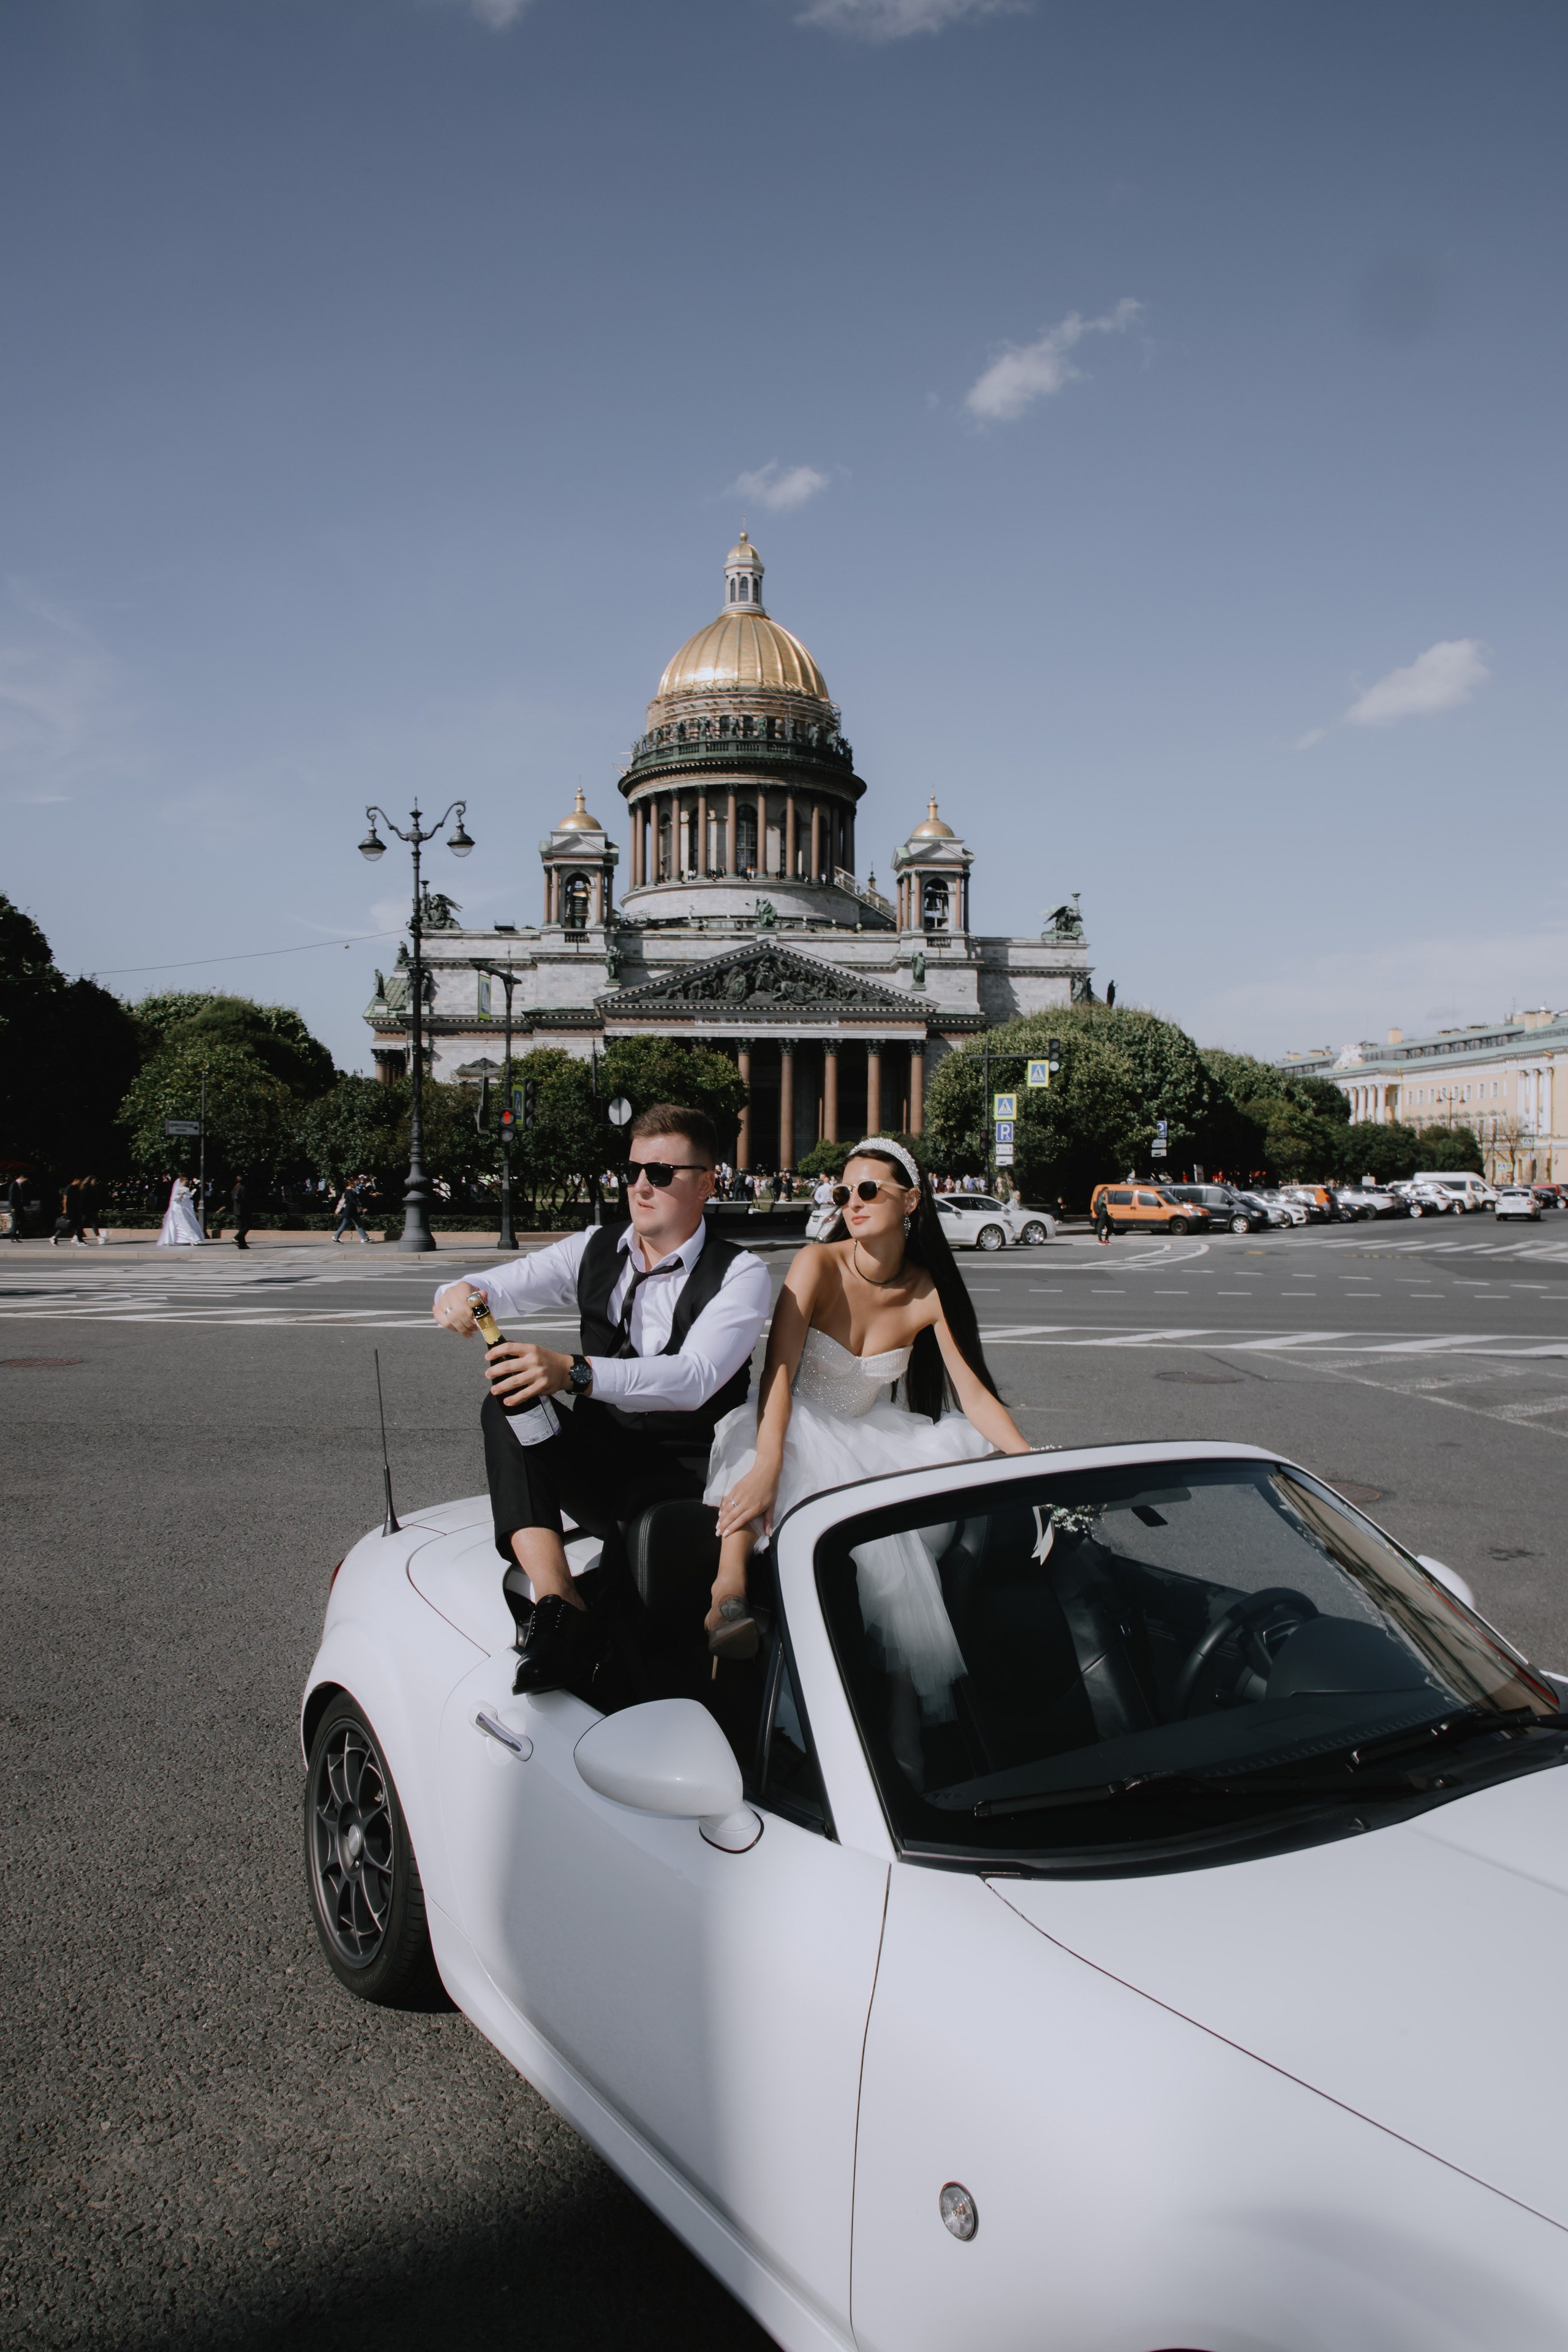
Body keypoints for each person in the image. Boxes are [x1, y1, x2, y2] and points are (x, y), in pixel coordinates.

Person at [432, 1103, 772, 1695]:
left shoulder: (740, 1272)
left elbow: (695, 1377)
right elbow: (497, 1285)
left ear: (707, 1183)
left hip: (684, 1473)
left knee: (647, 1629)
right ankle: (559, 1604)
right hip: (599, 1459)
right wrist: (460, 1293)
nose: (642, 1185)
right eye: (634, 1169)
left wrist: (573, 1372)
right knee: (508, 1402)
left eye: (662, 1174)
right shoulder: (595, 1247)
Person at [703, 1136, 1030, 1704]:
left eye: (870, 1189)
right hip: (794, 1415)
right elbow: (777, 1370)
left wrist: (1029, 1462)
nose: (852, 1202)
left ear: (911, 1201)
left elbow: (972, 1393)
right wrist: (769, 1462)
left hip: (874, 1434)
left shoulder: (927, 1290)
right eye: (843, 1191)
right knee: (759, 1455)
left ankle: (901, 1724)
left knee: (899, 1578)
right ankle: (726, 1596)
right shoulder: (816, 1264)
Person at [157, 1175, 205, 1247]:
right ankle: (191, 1238)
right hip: (177, 1208)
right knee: (181, 1222)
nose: (187, 1182)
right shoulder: (177, 1189)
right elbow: (173, 1198)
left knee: (185, 1222)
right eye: (186, 1181)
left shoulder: (186, 1189)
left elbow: (188, 1199)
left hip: (183, 1207)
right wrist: (180, 1196)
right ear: (182, 1181)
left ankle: (185, 1239)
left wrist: (189, 1195)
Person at [333, 1178, 370, 1244]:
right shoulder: (348, 1191)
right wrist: (361, 1206)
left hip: (353, 1211)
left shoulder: (353, 1191)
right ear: (351, 1184)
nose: (356, 1184)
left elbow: (358, 1197)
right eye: (355, 1183)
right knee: (344, 1225)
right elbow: (353, 1201)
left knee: (359, 1224)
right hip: (349, 1211)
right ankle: (336, 1237)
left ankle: (365, 1238)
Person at [231, 1175, 251, 1251]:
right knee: (248, 1225)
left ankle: (242, 1244)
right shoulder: (243, 1188)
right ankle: (237, 1238)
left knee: (242, 1226)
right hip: (242, 1209)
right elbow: (244, 1199)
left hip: (236, 1209)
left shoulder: (235, 1188)